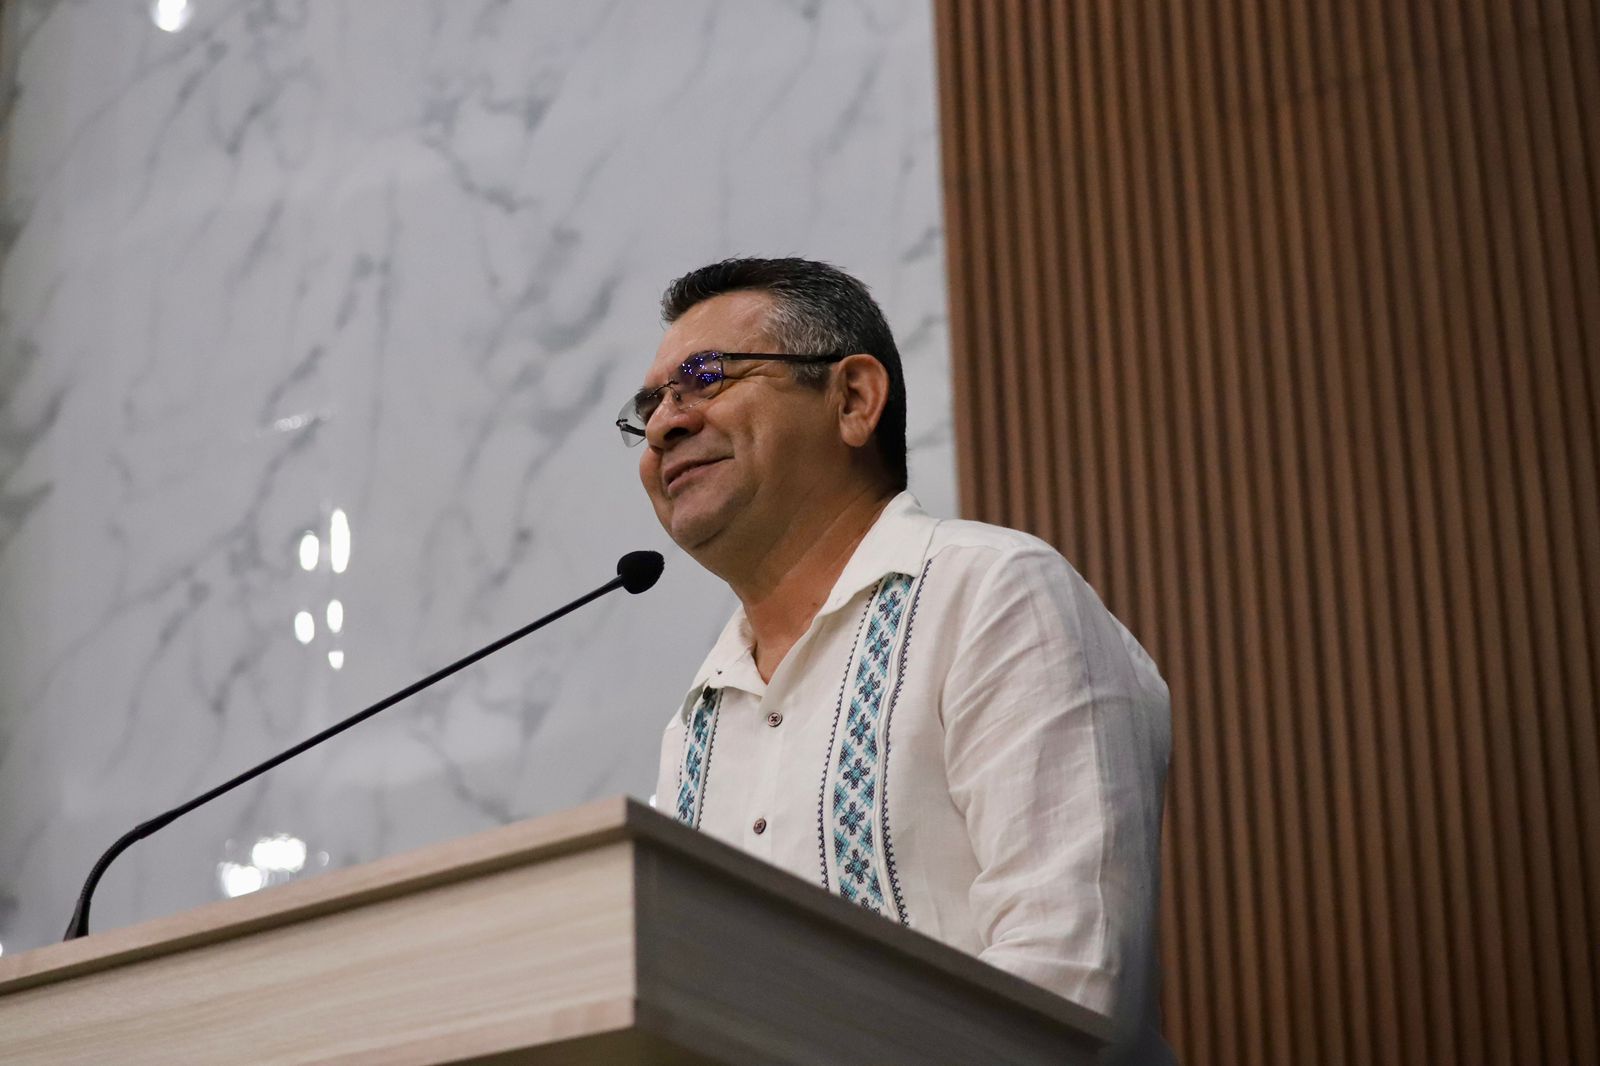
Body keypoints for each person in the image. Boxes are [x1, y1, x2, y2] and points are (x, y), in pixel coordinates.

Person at [620, 257, 1173, 1064]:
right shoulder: (698, 720)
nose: (665, 425)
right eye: (649, 407)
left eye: (705, 377)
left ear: (853, 399)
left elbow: (1072, 987)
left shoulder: (992, 593)